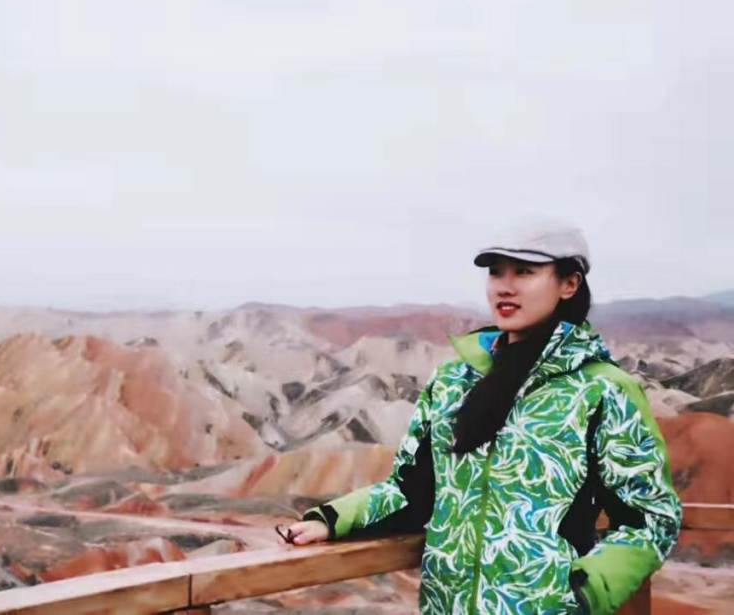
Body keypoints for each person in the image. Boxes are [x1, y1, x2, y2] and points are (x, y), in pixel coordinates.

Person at [279, 221, 682, 614]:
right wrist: (331, 520)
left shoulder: (602, 390)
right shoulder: (453, 381)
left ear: (569, 284)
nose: (504, 286)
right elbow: (411, 492)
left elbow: (650, 519)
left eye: (524, 272)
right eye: (496, 272)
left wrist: (582, 594)